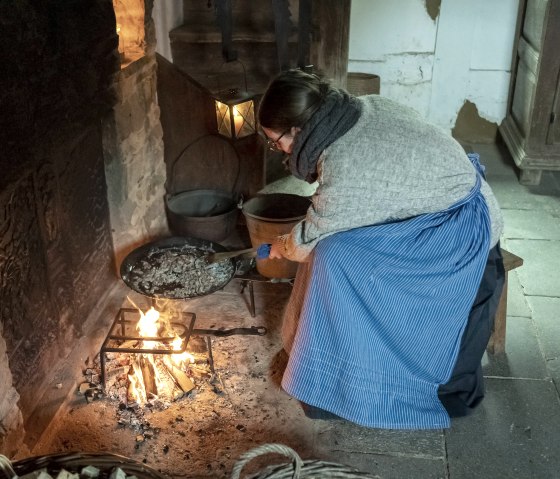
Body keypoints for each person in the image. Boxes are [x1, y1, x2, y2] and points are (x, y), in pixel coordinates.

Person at [258, 69, 505, 429]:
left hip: (460, 231)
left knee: (332, 257)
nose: (277, 149)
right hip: (443, 206)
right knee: (333, 251)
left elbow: (305, 242)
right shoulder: (366, 106)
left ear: (297, 130)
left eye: (274, 141)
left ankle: (355, 376)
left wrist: (281, 245)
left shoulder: (346, 163)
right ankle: (327, 357)